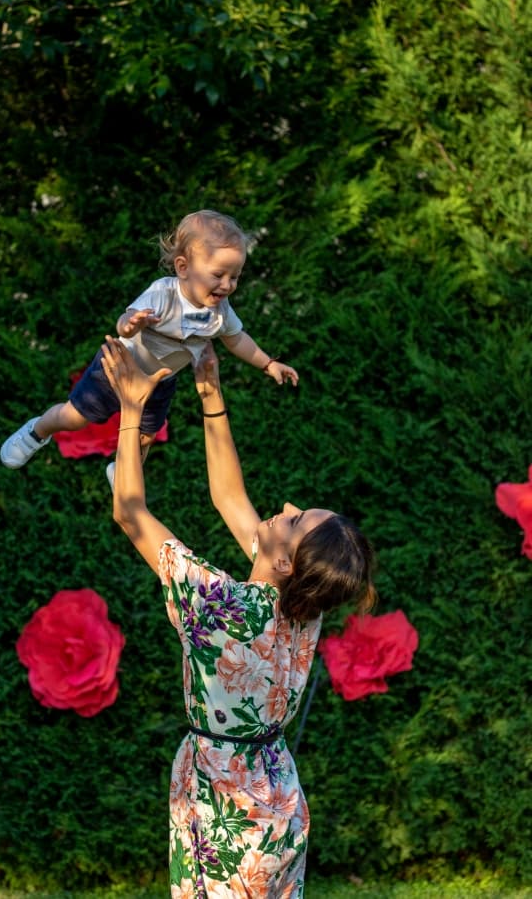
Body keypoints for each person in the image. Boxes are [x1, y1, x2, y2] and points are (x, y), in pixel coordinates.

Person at [99, 334, 376, 897]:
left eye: (296, 522)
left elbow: (129, 512)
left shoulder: (218, 604)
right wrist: (210, 389)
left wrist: (131, 411)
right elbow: (229, 498)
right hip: (278, 801)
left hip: (222, 805)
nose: (289, 508)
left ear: (282, 559)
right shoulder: (302, 606)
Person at [0, 209, 299, 472]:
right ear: (183, 268)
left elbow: (238, 340)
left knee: (146, 435)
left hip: (159, 381)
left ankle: (123, 469)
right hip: (118, 369)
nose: (227, 284)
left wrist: (267, 363)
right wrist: (130, 325)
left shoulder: (220, 312)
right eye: (219, 274)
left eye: (235, 276)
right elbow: (124, 321)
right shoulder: (164, 294)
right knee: (74, 417)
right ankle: (36, 432)